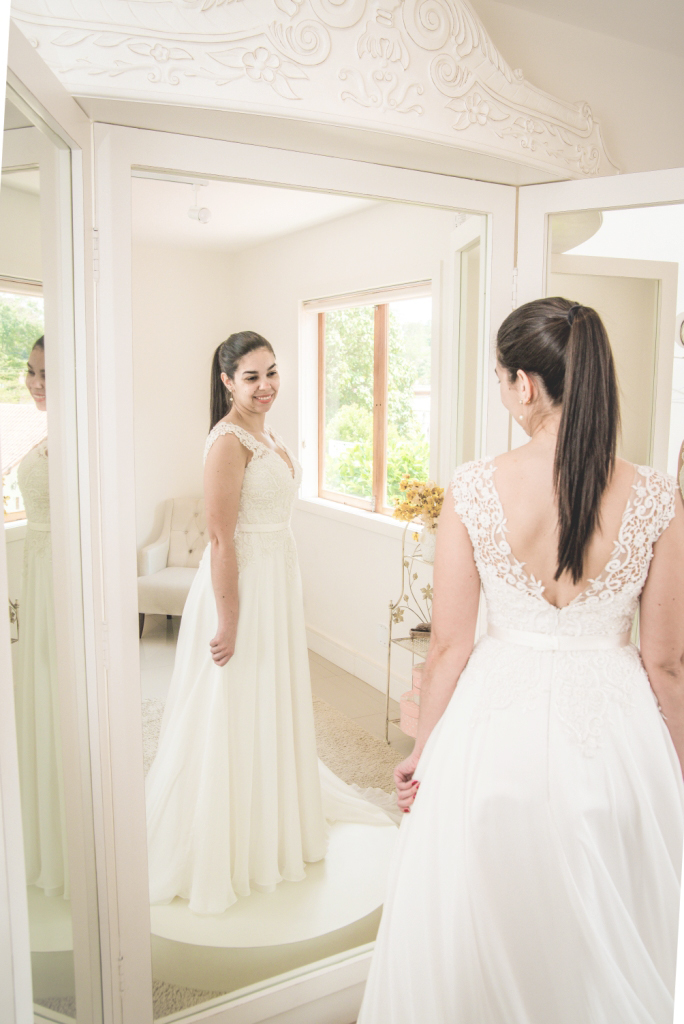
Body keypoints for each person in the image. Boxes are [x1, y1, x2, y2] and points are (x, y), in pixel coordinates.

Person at [357, 299, 684, 1024]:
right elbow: (666, 665)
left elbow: (447, 646)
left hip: (493, 728)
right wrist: (679, 769)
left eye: (503, 378)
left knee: (486, 919)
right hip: (617, 736)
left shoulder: (474, 486)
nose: (505, 392)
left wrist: (422, 751)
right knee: (604, 928)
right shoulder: (659, 494)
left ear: (526, 385)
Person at [145, 331, 396, 916]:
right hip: (243, 585)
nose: (266, 386)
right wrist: (229, 619)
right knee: (234, 694)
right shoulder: (227, 441)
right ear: (227, 381)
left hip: (276, 575)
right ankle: (230, 832)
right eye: (252, 377)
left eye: (273, 373)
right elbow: (218, 537)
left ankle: (274, 807)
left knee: (271, 694)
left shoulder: (268, 432)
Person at [13, 335, 69, 898]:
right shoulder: (55, 433)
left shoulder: (76, 440)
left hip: (58, 580)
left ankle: (67, 831)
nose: (35, 382)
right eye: (31, 371)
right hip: (38, 569)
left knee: (58, 694)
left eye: (47, 374)